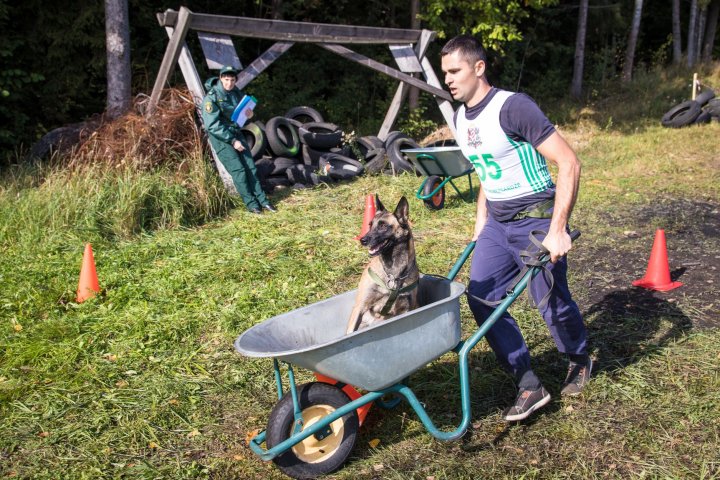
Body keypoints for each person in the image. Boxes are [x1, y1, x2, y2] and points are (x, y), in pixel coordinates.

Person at [440, 35, 591, 422]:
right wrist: (480, 220)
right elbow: (485, 171)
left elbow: (569, 163)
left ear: (478, 67)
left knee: (550, 302)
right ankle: (528, 383)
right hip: (498, 223)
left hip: (537, 219)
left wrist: (558, 230)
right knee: (481, 297)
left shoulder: (514, 107)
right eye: (445, 73)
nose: (449, 80)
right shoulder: (460, 117)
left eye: (455, 71)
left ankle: (578, 356)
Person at [202, 65, 276, 214]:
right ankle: (252, 204)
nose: (229, 83)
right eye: (226, 79)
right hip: (222, 138)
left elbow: (240, 118)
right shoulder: (212, 97)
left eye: (232, 80)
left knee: (251, 168)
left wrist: (248, 116)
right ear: (221, 78)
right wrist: (232, 141)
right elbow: (212, 126)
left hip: (236, 133)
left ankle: (263, 201)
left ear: (236, 80)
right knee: (239, 171)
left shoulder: (236, 93)